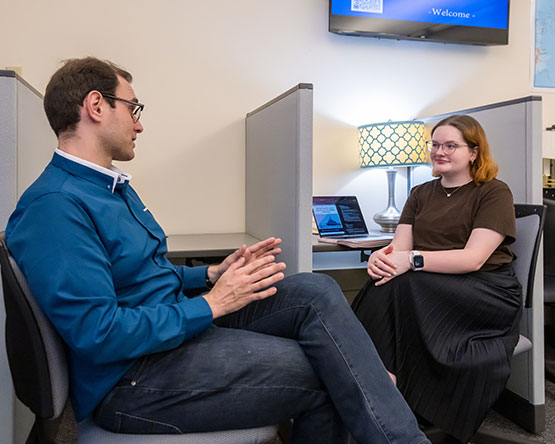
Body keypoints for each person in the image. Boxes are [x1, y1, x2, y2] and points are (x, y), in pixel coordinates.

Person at [5, 57, 430, 444]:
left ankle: (375, 396)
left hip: (167, 337)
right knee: (333, 372)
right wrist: (211, 305)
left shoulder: (108, 186)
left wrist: (210, 275)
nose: (139, 124)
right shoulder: (57, 206)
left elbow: (139, 275)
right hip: (132, 380)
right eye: (133, 109)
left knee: (316, 292)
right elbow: (100, 334)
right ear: (96, 106)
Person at [352, 114, 521, 443]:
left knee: (402, 284)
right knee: (385, 281)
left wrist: (410, 260)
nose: (439, 151)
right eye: (435, 144)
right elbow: (398, 247)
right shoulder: (420, 193)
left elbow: (473, 259)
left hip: (485, 289)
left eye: (450, 145)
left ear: (474, 152)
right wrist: (380, 259)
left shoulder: (493, 192)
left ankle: (383, 389)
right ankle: (385, 383)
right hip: (430, 283)